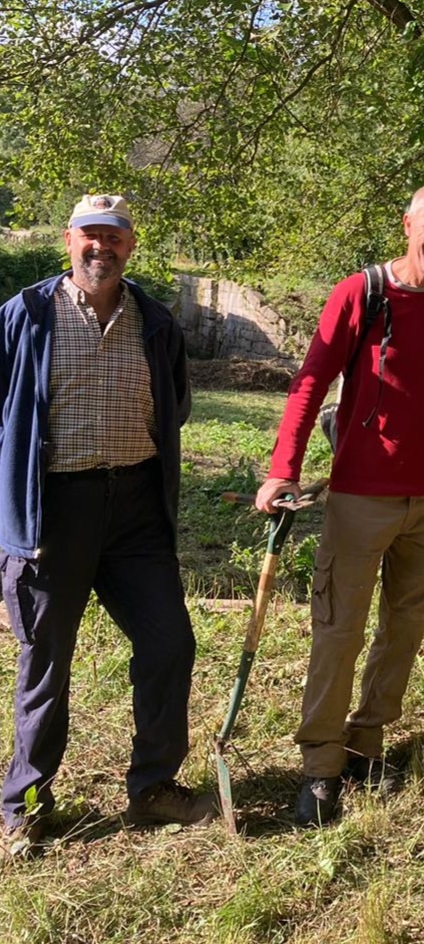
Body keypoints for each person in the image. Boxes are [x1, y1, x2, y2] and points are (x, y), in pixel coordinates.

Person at [256, 183, 424, 827]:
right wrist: (283, 471)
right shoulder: (362, 293)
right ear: (409, 224)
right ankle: (320, 767)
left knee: (405, 627)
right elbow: (310, 384)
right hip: (361, 496)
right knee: (339, 631)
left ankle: (368, 741)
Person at [0, 194, 213, 862]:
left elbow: (171, 409)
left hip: (136, 512)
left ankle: (152, 787)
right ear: (68, 240)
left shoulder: (154, 322)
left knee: (169, 643)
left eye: (114, 237)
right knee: (46, 665)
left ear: (131, 245)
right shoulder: (25, 317)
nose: (102, 248)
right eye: (90, 236)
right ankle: (25, 805)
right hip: (51, 514)